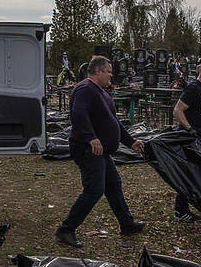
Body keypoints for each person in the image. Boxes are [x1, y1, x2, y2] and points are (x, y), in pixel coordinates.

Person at [55, 56, 146, 248]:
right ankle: (66, 229)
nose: (111, 76)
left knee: (113, 184)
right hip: (87, 148)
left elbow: (114, 123)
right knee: (95, 189)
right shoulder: (85, 89)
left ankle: (127, 224)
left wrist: (130, 142)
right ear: (97, 71)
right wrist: (90, 137)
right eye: (108, 72)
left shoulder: (102, 93)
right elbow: (78, 115)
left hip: (101, 150)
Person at [171, 58, 201, 222]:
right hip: (188, 137)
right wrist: (189, 129)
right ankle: (181, 211)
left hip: (198, 136)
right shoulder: (193, 88)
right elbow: (177, 111)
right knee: (192, 172)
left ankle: (189, 207)